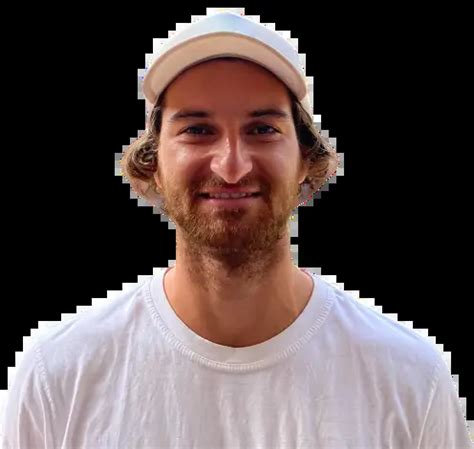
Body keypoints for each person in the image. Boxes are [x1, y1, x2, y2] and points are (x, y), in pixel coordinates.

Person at [1, 11, 471, 448]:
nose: (231, 166)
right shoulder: (59, 377)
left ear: (306, 160)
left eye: (262, 129)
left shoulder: (410, 380)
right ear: (154, 163)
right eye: (197, 129)